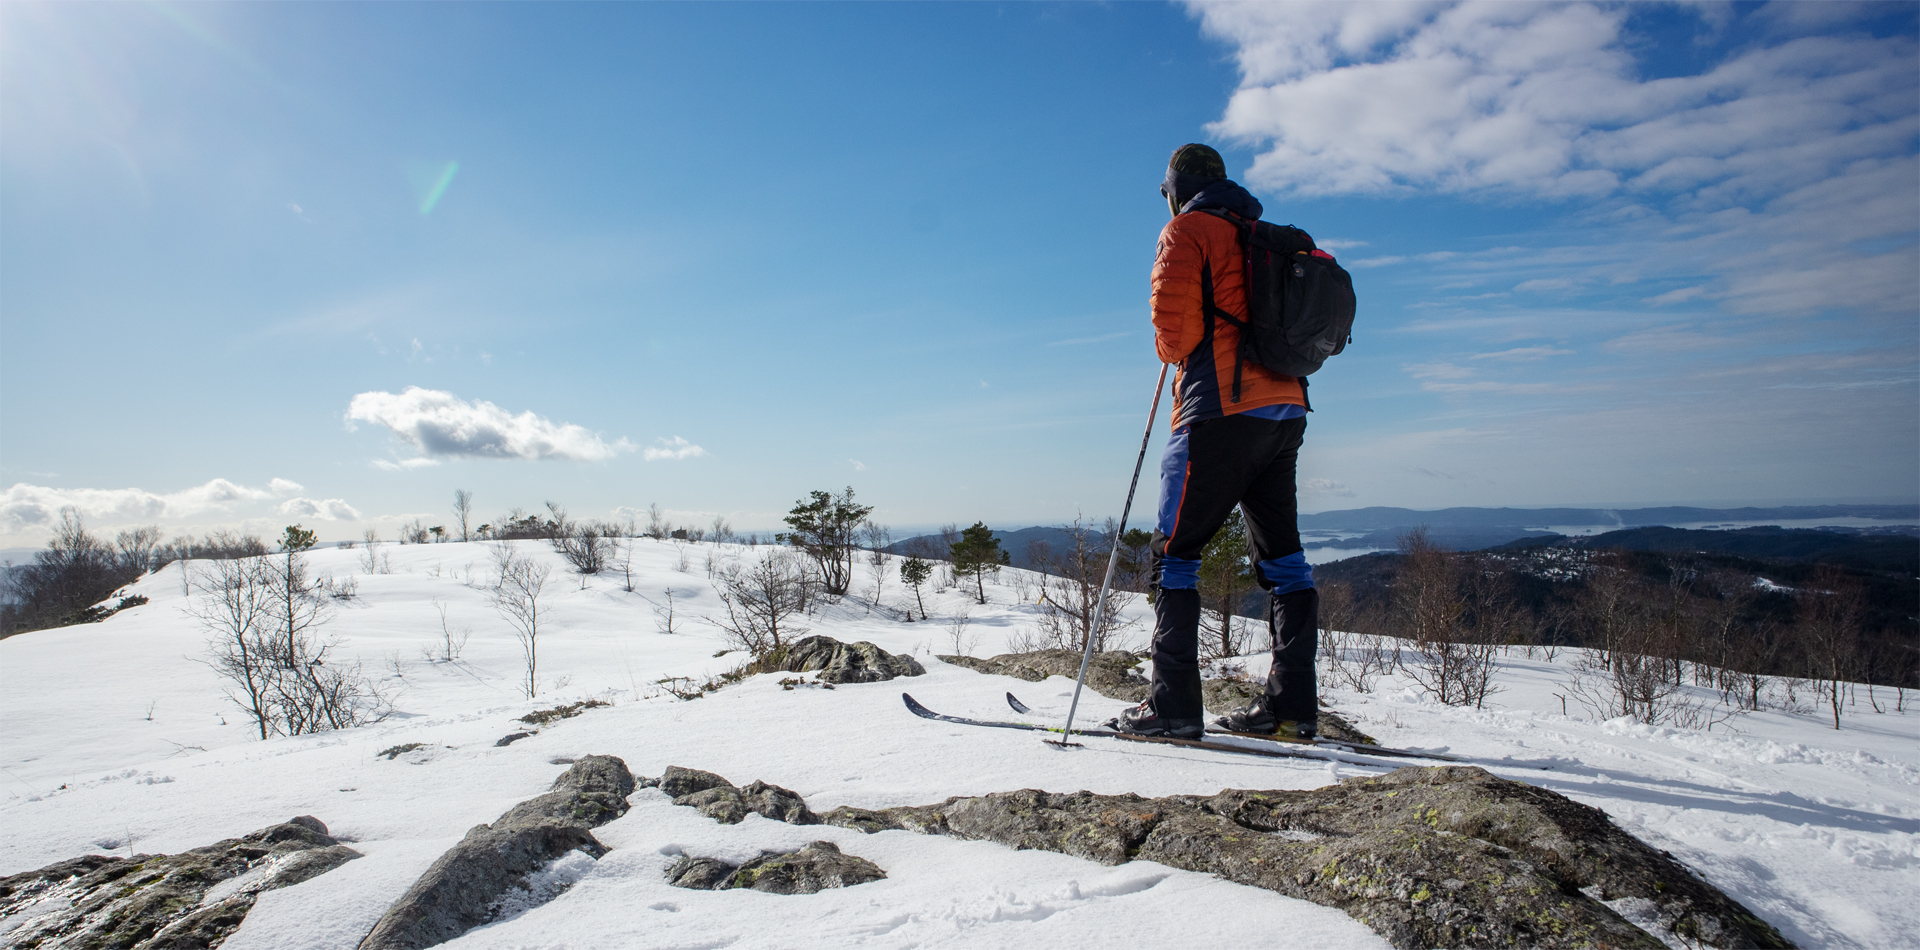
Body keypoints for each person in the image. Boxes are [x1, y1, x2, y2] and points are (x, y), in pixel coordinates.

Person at [1110, 143, 1320, 741]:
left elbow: (1174, 340)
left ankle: (1172, 709)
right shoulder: (1265, 236)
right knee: (1285, 560)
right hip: (1285, 409)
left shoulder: (1186, 232)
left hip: (1218, 412)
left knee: (1174, 555)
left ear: (1177, 187)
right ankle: (1291, 710)